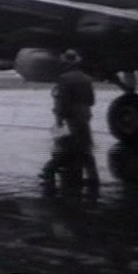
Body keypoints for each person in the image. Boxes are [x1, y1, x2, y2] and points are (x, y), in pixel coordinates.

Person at [40, 50, 99, 188]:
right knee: (85, 147)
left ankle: (48, 171)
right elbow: (91, 100)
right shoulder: (87, 78)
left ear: (66, 64)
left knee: (65, 148)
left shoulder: (64, 79)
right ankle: (93, 178)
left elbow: (63, 102)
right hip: (85, 116)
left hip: (70, 117)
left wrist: (60, 118)